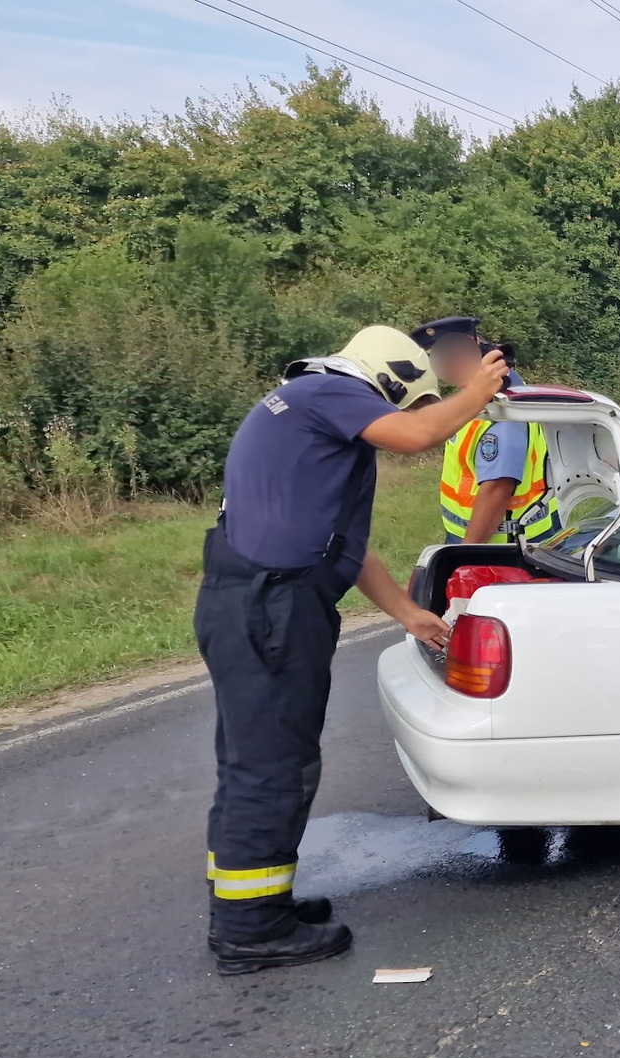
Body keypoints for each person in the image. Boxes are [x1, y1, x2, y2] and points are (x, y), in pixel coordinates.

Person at [198, 325, 509, 973]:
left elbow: (342, 545)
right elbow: (418, 435)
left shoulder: (305, 409)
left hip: (254, 601)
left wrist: (408, 613)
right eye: (403, 400)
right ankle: (250, 926)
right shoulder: (329, 391)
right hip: (272, 604)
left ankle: (253, 895)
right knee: (274, 762)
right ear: (388, 377)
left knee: (252, 754)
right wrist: (478, 391)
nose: (404, 415)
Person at [415, 317, 559, 544]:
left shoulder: (502, 408)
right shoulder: (482, 398)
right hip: (489, 540)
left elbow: (496, 490)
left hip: (499, 548)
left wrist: (464, 556)